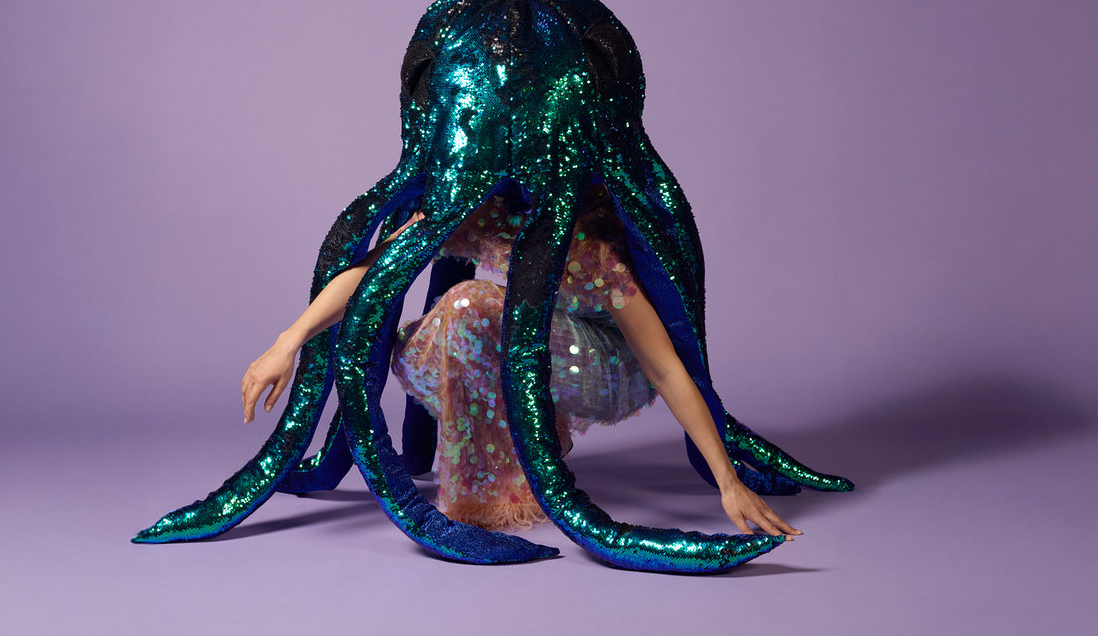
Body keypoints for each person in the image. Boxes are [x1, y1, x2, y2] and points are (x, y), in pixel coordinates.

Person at [237, 182, 801, 539]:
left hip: (609, 368)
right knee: (400, 340)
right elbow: (375, 271)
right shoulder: (480, 211)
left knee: (468, 305)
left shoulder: (587, 242)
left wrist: (727, 481)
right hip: (538, 344)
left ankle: (501, 482)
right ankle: (529, 431)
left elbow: (663, 368)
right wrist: (288, 341)